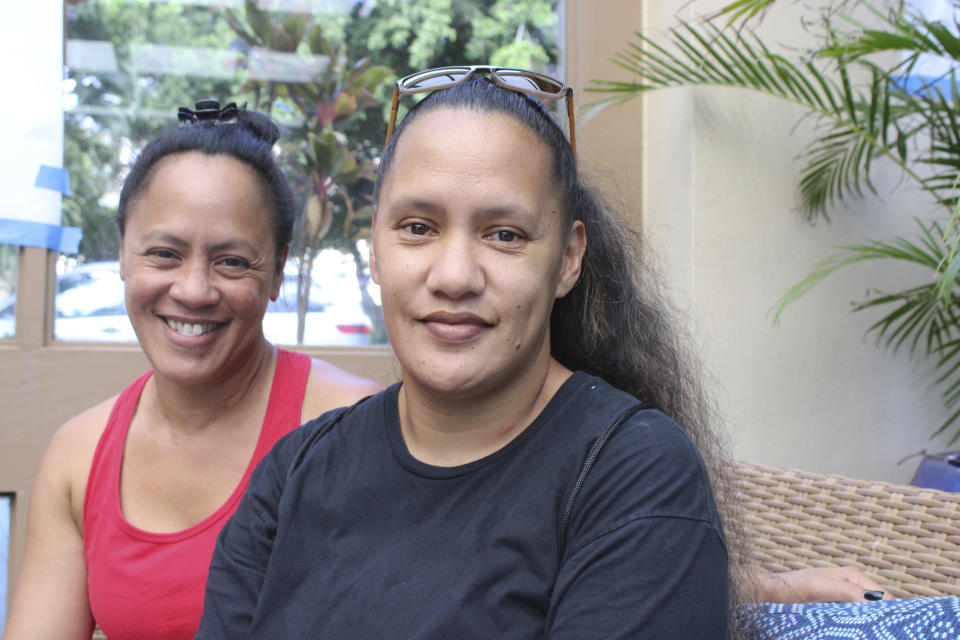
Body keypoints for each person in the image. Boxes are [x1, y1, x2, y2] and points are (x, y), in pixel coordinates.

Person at [195, 67, 739, 638]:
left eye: (505, 234)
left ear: (569, 259)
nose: (454, 277)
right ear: (375, 249)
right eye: (417, 227)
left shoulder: (634, 477)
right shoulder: (294, 475)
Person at [2, 101, 382, 640]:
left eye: (231, 261)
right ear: (122, 259)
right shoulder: (79, 458)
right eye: (163, 253)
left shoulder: (354, 428)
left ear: (277, 272)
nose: (194, 290)